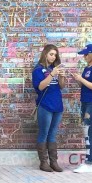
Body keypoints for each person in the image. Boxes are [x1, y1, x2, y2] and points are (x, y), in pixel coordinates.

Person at [31, 44, 67, 172]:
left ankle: (54, 162)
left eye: (55, 55)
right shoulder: (38, 69)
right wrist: (52, 74)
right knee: (44, 133)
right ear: (45, 54)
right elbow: (40, 87)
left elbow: (61, 86)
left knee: (53, 134)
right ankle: (43, 162)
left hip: (57, 105)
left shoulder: (54, 68)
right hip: (45, 105)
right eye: (51, 54)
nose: (53, 57)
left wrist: (61, 75)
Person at [71, 43, 92, 173]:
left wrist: (82, 79)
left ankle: (88, 163)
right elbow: (85, 86)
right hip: (86, 102)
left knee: (88, 132)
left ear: (91, 54)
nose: (84, 56)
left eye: (86, 54)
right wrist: (78, 80)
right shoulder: (87, 68)